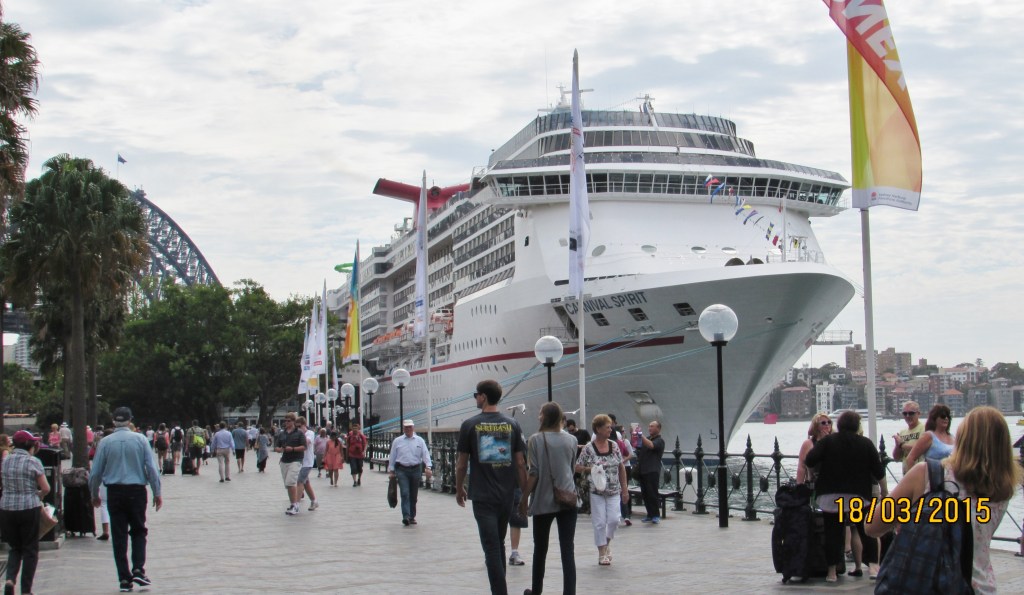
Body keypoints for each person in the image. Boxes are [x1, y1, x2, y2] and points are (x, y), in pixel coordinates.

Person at [867, 406, 1022, 593]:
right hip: (978, 585)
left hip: (928, 581)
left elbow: (872, 526)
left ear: (963, 439)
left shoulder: (927, 474)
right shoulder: (1003, 487)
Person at [455, 379, 527, 595]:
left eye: (476, 395)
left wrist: (459, 489)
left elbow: (461, 464)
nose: (475, 398)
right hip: (506, 495)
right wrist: (525, 495)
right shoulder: (512, 424)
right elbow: (520, 463)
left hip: (482, 495)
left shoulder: (469, 425)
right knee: (499, 543)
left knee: (491, 548)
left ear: (483, 397)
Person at [804, 410, 884, 583]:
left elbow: (809, 460)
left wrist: (814, 471)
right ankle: (873, 567)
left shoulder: (828, 441)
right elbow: (879, 471)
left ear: (839, 425)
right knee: (866, 529)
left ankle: (831, 571)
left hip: (831, 495)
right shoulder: (865, 443)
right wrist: (884, 492)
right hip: (858, 496)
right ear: (857, 425)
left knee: (832, 532)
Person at [89, 407, 162, 593]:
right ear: (130, 420)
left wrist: (94, 494)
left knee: (119, 535)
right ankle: (138, 568)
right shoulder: (140, 440)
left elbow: (95, 472)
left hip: (114, 492)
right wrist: (157, 491)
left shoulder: (105, 442)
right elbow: (151, 468)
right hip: (136, 491)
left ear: (113, 421)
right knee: (139, 530)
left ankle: (124, 578)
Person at [521, 401, 577, 595]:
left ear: (545, 417)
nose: (538, 416)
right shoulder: (572, 440)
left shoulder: (535, 439)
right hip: (568, 499)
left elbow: (534, 472)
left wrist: (524, 498)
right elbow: (571, 469)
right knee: (567, 550)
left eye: (540, 413)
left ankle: (536, 591)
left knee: (540, 549)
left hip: (543, 500)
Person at [576, 414, 629, 566]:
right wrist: (590, 469)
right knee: (599, 522)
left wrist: (625, 489)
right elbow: (577, 467)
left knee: (614, 519)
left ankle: (606, 543)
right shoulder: (588, 448)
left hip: (613, 489)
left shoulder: (614, 446)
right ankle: (601, 552)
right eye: (607, 427)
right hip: (596, 490)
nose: (610, 429)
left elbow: (621, 467)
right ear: (598, 429)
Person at [1, 430, 49, 595]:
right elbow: (46, 488)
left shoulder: (5, 461)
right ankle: (26, 590)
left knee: (15, 547)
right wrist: (39, 495)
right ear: (29, 445)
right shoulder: (33, 461)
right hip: (29, 507)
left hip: (7, 508)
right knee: (30, 549)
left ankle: (9, 580)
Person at [387, 419, 432, 526]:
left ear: (413, 428)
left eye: (410, 427)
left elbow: (425, 454)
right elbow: (392, 456)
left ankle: (412, 516)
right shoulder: (397, 441)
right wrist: (391, 470)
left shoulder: (419, 440)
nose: (408, 429)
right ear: (403, 428)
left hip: (415, 469)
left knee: (413, 494)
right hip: (402, 469)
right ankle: (406, 516)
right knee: (405, 493)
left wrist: (428, 466)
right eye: (406, 427)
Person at [274, 412, 306, 515]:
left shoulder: (299, 433)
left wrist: (292, 449)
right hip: (284, 460)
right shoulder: (282, 433)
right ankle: (293, 504)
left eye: (289, 421)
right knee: (287, 484)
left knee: (290, 482)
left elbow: (304, 447)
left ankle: (295, 505)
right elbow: (276, 446)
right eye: (285, 421)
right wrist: (279, 449)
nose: (286, 423)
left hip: (296, 460)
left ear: (293, 421)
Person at [904, 403, 955, 467]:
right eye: (943, 416)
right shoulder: (929, 436)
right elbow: (910, 459)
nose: (946, 418)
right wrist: (917, 473)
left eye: (948, 416)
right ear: (934, 418)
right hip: (932, 472)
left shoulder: (953, 437)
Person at [635, 420, 665, 524]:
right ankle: (649, 514)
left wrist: (640, 435)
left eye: (652, 426)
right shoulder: (647, 439)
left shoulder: (660, 441)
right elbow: (637, 446)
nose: (649, 428)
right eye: (649, 426)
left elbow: (651, 445)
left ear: (658, 428)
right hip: (643, 470)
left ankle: (656, 515)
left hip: (652, 470)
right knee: (645, 494)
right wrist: (634, 436)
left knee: (652, 493)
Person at [797, 412, 832, 484]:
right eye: (823, 423)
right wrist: (799, 485)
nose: (827, 424)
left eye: (829, 422)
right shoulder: (808, 443)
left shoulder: (834, 440)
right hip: (814, 482)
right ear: (816, 426)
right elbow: (802, 466)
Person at [892, 400, 924, 473]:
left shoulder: (924, 428)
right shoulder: (902, 432)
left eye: (911, 413)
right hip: (907, 473)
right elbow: (896, 458)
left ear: (918, 414)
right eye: (905, 413)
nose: (907, 416)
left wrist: (902, 445)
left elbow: (920, 448)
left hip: (920, 472)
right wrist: (897, 445)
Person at [296, 418, 318, 511]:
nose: (298, 428)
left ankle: (296, 504)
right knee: (306, 483)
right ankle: (314, 501)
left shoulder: (310, 433)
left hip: (307, 462)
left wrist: (300, 435)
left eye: (299, 426)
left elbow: (306, 443)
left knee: (300, 481)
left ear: (304, 425)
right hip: (299, 461)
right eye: (296, 427)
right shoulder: (296, 434)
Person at [346, 421, 367, 487]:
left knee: (360, 468)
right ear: (352, 429)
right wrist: (346, 455)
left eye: (356, 428)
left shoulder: (361, 436)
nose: (355, 429)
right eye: (354, 428)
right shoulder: (350, 436)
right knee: (353, 468)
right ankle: (354, 481)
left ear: (358, 429)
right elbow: (347, 445)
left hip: (360, 455)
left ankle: (359, 479)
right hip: (352, 454)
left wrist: (364, 451)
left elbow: (365, 444)